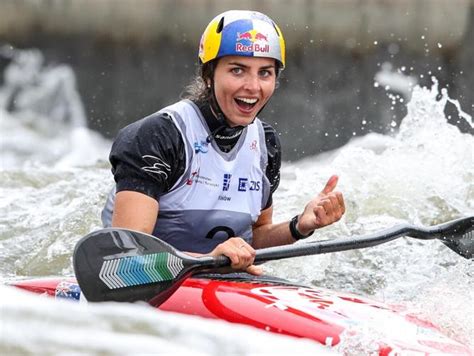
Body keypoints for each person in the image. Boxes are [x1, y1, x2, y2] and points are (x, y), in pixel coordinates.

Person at [101, 10, 345, 275]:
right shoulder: (157, 136)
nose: (253, 86)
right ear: (209, 75)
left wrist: (300, 226)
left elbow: (255, 238)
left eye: (265, 73)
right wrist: (208, 259)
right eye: (237, 70)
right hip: (148, 283)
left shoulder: (266, 144)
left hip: (220, 281)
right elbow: (125, 258)